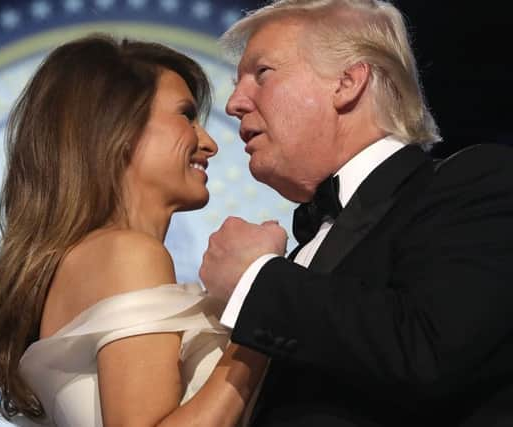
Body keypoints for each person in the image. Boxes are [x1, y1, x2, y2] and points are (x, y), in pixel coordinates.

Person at [199, 0, 513, 426]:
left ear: (348, 82)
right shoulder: (305, 249)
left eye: (262, 74)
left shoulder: (476, 181)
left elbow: (431, 350)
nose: (235, 102)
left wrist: (256, 278)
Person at [0, 34, 268, 427]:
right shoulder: (129, 254)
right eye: (185, 115)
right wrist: (261, 325)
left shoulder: (90, 258)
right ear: (119, 127)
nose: (208, 144)